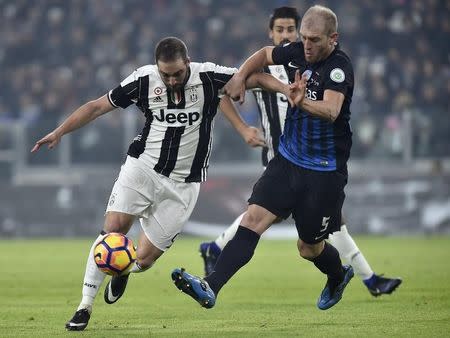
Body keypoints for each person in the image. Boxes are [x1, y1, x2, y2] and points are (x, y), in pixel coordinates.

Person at [31, 37, 290, 331]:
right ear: (157, 68)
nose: (171, 80)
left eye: (177, 74)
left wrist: (283, 88)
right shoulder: (143, 80)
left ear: (187, 63)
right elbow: (96, 107)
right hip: (142, 169)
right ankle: (84, 307)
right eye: (165, 74)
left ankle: (123, 270)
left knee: (144, 259)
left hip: (184, 184)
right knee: (112, 229)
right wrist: (60, 132)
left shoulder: (207, 75)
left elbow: (253, 77)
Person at [173, 4, 370, 311]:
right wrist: (240, 77)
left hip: (324, 172)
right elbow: (265, 54)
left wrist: (301, 100)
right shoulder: (297, 52)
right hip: (287, 160)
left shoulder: (338, 67)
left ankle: (337, 275)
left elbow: (331, 111)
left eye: (314, 39)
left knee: (308, 247)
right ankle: (210, 286)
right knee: (252, 219)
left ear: (333, 38)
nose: (306, 44)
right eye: (303, 37)